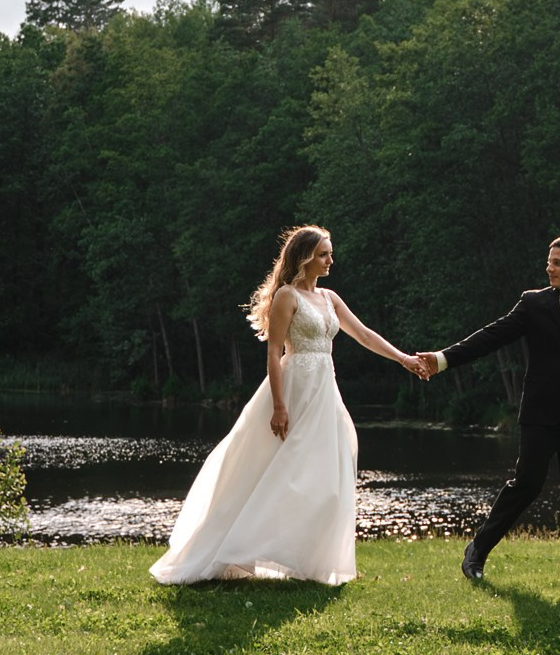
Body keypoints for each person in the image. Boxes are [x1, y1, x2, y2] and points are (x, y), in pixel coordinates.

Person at [151, 225, 425, 584]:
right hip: (294, 387)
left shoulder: (330, 298)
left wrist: (403, 358)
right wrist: (279, 406)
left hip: (325, 389)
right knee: (279, 471)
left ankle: (312, 562)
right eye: (324, 254)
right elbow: (273, 351)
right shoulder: (286, 296)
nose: (331, 260)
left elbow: (364, 335)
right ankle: (234, 549)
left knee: (326, 472)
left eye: (330, 253)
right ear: (305, 258)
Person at [415, 235, 560, 579]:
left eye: (557, 263)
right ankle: (477, 551)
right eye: (549, 262)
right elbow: (491, 336)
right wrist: (443, 359)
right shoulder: (533, 303)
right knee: (527, 484)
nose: (548, 268)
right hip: (541, 413)